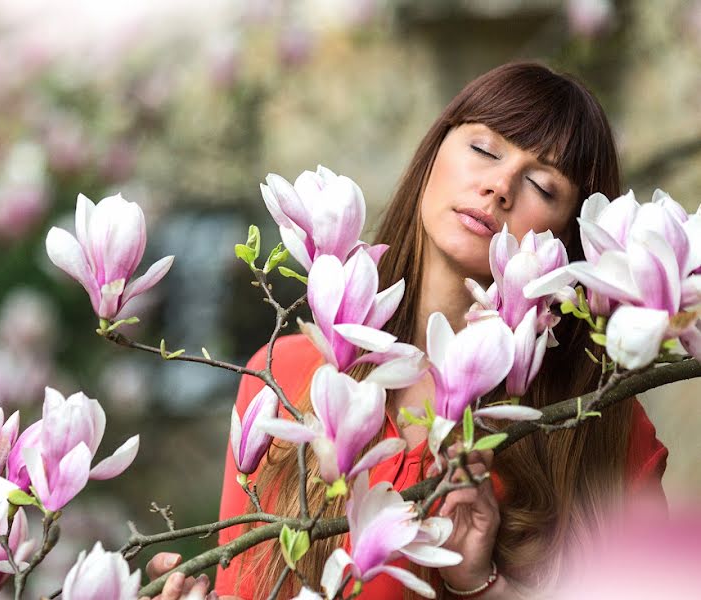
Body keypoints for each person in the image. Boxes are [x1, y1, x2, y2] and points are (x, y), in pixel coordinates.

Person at [145, 62, 669, 599]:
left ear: (569, 241)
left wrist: (485, 585)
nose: (499, 187)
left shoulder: (601, 430)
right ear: (433, 154)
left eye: (542, 185)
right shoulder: (286, 376)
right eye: (485, 150)